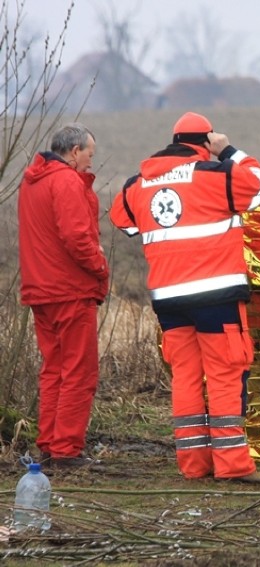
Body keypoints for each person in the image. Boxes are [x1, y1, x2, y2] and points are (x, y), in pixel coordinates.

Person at [109, 112, 260, 483]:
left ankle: (194, 464)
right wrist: (228, 150)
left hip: (168, 300)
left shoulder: (140, 183)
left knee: (185, 377)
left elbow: (123, 220)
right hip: (215, 295)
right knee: (225, 375)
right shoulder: (216, 174)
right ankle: (232, 464)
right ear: (205, 142)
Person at [18, 123, 110, 469]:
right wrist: (100, 266)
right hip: (70, 290)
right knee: (78, 372)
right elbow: (76, 237)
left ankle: (50, 443)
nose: (90, 162)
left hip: (40, 291)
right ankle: (67, 449)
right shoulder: (67, 181)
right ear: (74, 152)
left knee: (54, 369)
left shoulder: (32, 182)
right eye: (89, 154)